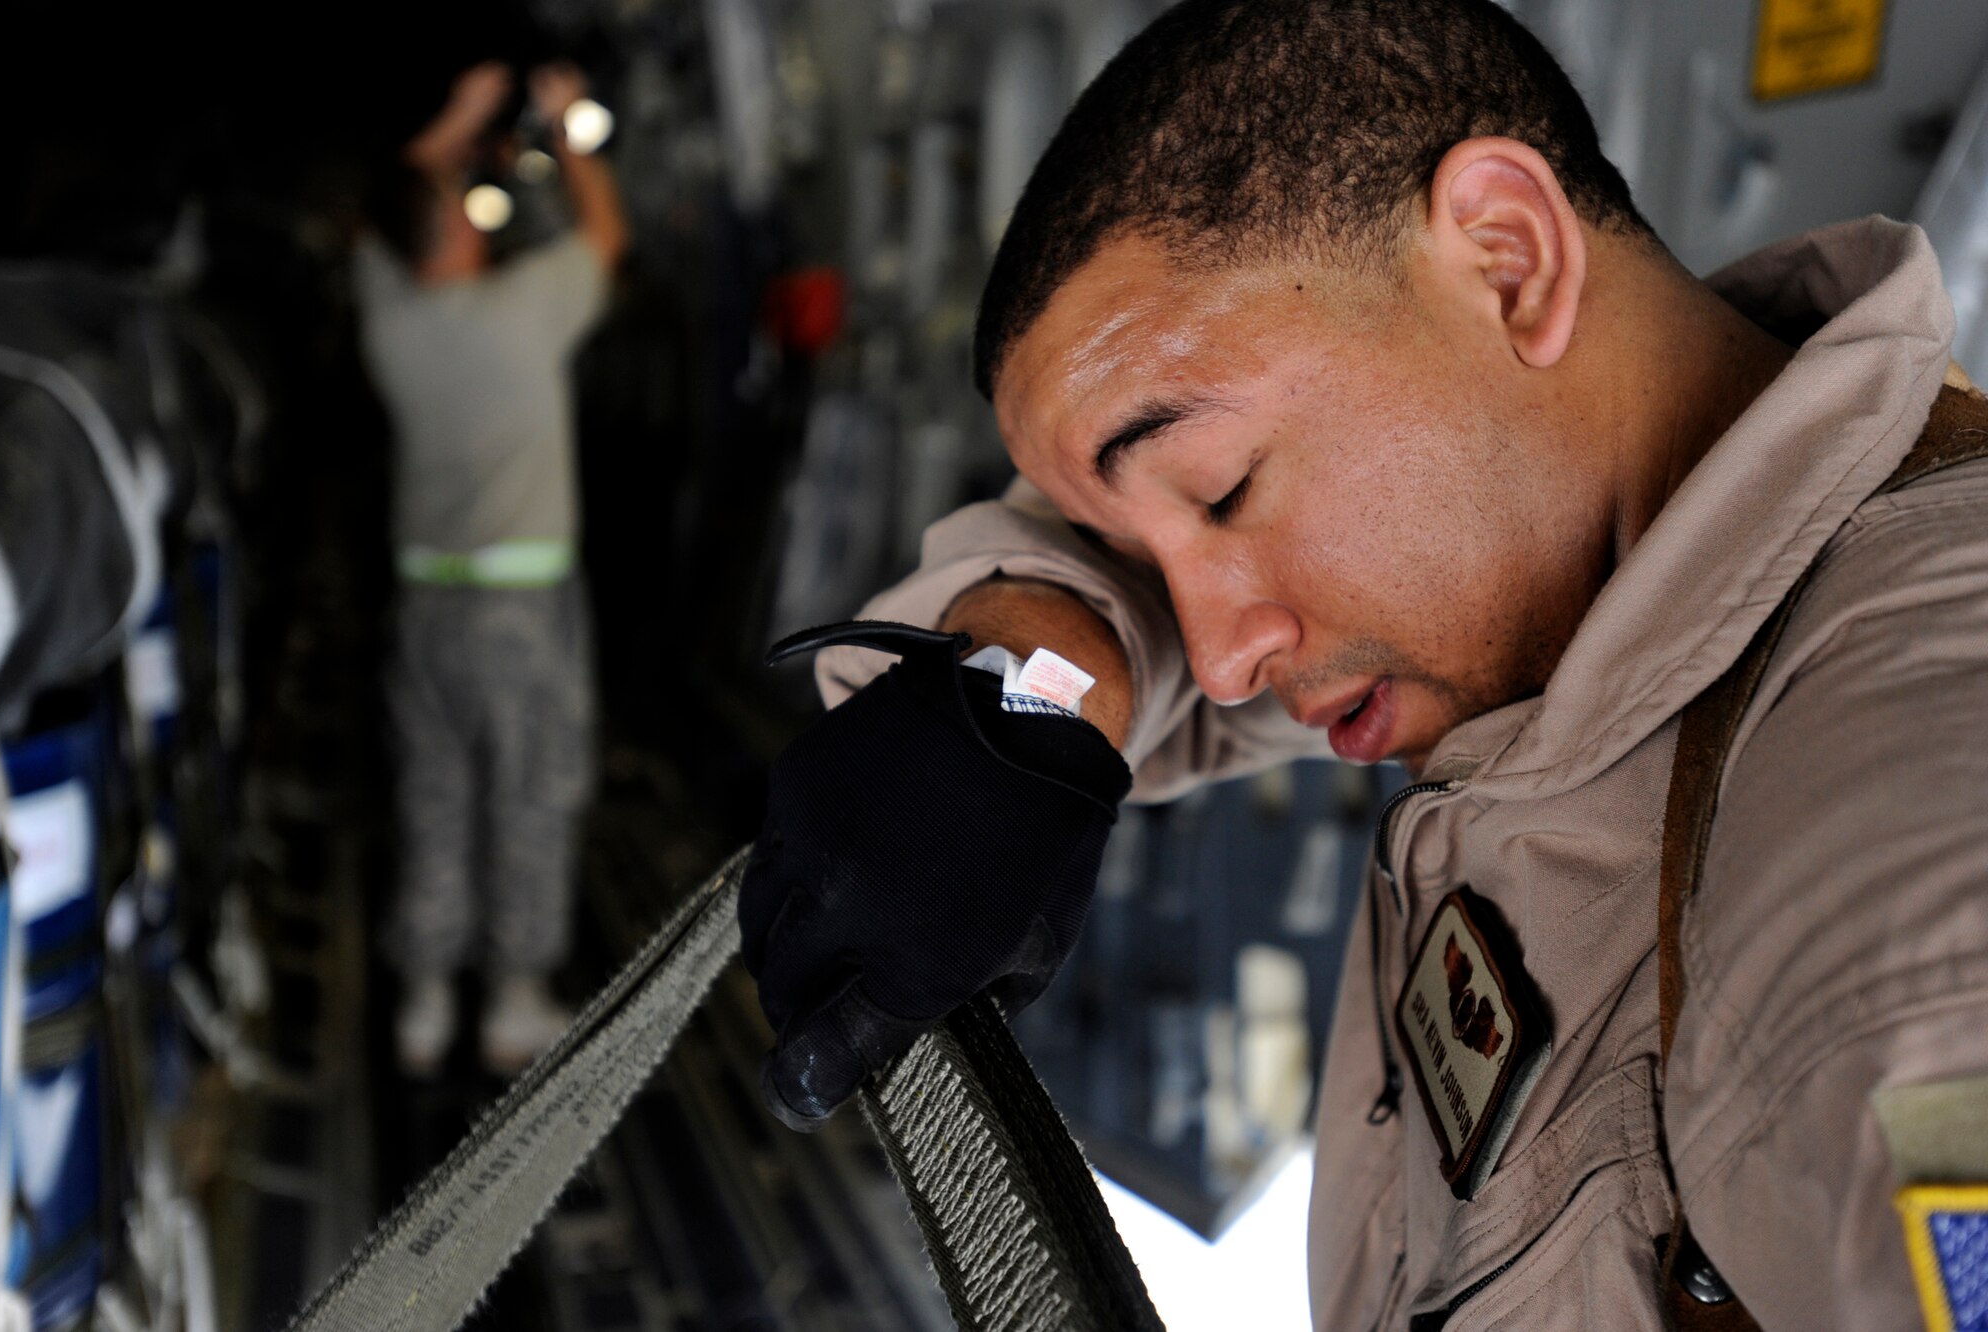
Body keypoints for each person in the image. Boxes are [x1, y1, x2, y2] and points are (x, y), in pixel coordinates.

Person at [735, 1, 1988, 1328]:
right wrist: (1023, 682)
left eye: (1219, 492)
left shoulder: (1907, 901)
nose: (1220, 661)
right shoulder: (1589, 581)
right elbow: (1116, 614)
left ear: (1508, 259)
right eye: (1153, 562)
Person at [354, 59, 626, 1077]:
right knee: (528, 791)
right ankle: (512, 1000)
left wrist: (455, 117)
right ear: (463, 228)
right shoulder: (523, 312)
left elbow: (398, 204)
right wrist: (567, 134)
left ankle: (422, 1001)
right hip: (523, 609)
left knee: (433, 790)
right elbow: (605, 239)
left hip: (426, 609)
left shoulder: (390, 322)